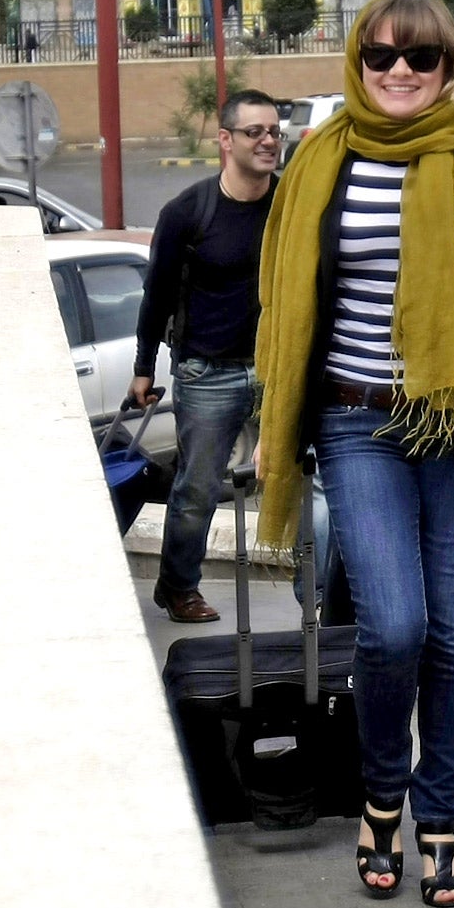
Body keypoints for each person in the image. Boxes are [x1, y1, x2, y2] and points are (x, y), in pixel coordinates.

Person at [253, 0, 454, 908]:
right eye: (381, 57)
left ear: (451, 68)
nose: (401, 72)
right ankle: (381, 796)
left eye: (421, 58)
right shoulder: (318, 164)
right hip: (353, 420)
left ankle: (438, 818)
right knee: (394, 626)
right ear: (358, 65)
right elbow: (285, 297)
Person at [131, 87, 283, 624]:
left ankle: (324, 595)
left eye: (274, 131)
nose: (268, 141)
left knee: (310, 479)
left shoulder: (289, 205)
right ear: (226, 140)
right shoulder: (187, 212)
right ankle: (178, 588)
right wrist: (144, 367)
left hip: (275, 368)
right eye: (254, 132)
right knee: (196, 489)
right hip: (206, 372)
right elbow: (156, 295)